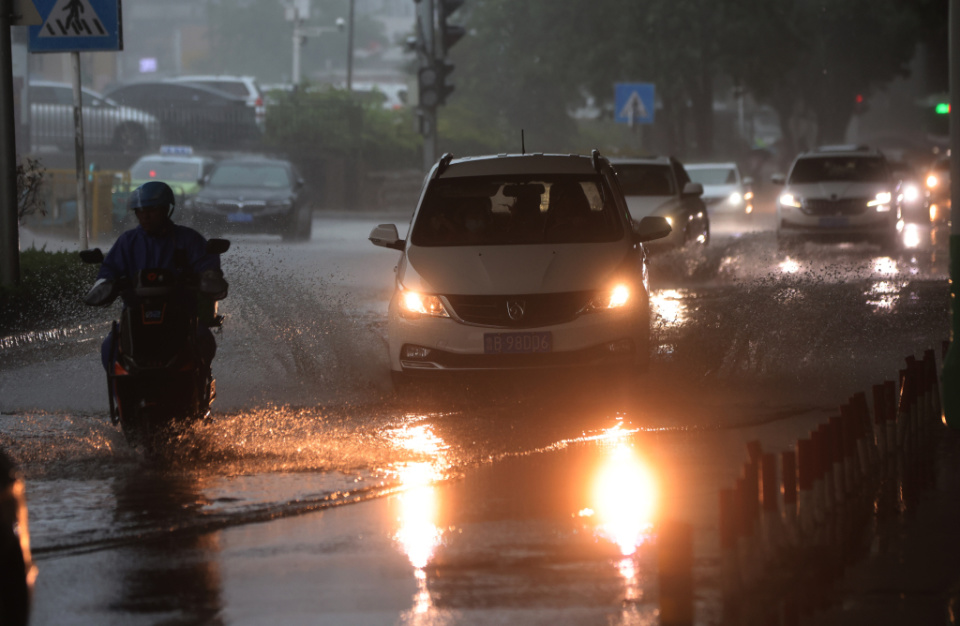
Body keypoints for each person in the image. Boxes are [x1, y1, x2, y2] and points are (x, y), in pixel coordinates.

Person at [85, 181, 228, 373]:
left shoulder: (189, 239)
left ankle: (200, 383)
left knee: (202, 338)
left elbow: (206, 266)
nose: (145, 216)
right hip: (135, 316)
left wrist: (209, 278)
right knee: (110, 347)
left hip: (181, 317)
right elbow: (109, 270)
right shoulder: (127, 242)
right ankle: (121, 396)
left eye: (151, 210)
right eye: (140, 211)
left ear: (165, 210)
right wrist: (104, 284)